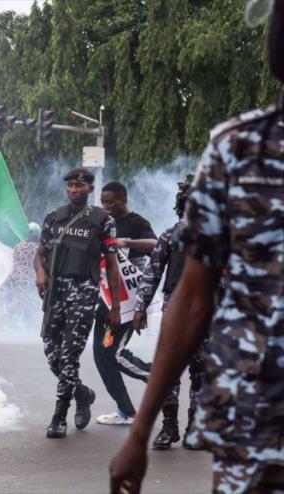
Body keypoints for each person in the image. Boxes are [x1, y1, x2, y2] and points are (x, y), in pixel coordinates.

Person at [110, 5, 284, 491]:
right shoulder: (237, 149)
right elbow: (189, 296)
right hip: (255, 425)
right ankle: (173, 426)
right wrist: (139, 432)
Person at [34, 167, 120, 439]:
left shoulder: (102, 220)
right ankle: (83, 394)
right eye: (70, 186)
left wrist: (115, 307)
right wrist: (40, 273)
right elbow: (40, 253)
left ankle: (59, 416)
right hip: (55, 292)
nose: (74, 190)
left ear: (90, 189)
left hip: (84, 291)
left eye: (79, 186)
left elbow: (113, 265)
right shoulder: (53, 217)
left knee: (70, 354)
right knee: (53, 355)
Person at [130, 175, 198, 450]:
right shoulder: (171, 236)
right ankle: (170, 426)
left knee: (202, 372)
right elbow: (152, 273)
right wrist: (140, 307)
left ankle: (195, 427)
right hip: (176, 310)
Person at [92, 181, 158, 427]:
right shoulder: (100, 222)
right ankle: (125, 410)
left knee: (112, 353)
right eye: (104, 201)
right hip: (106, 299)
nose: (107, 206)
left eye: (112, 201)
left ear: (123, 199)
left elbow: (156, 246)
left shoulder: (137, 223)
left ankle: (156, 376)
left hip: (128, 301)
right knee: (102, 355)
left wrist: (124, 243)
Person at [1, 222, 41, 328]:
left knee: (20, 299)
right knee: (26, 301)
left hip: (15, 275)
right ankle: (8, 322)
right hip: (28, 278)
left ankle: (24, 322)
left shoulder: (18, 245)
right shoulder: (36, 248)